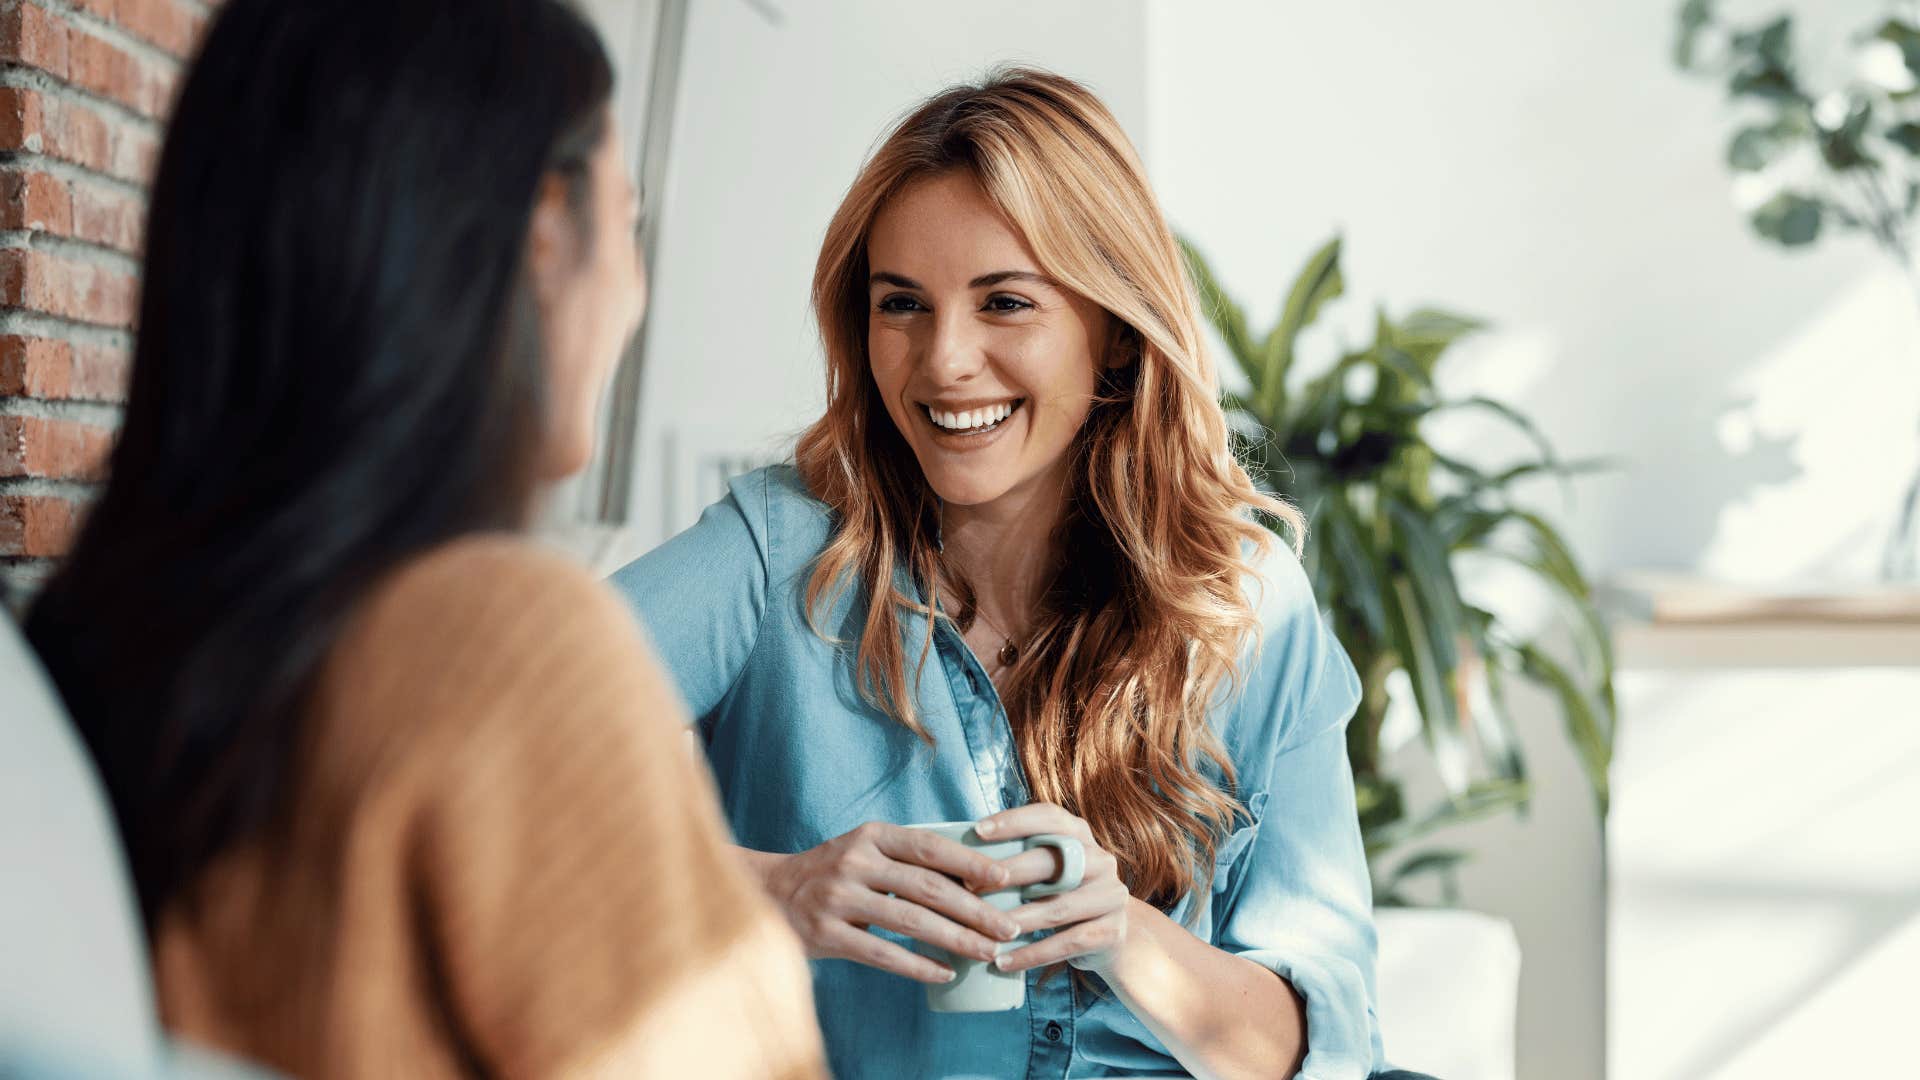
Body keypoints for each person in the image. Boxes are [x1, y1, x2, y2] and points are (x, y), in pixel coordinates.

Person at [25, 1, 825, 1076]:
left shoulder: (113, 634)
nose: (632, 294)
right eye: (627, 219)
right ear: (544, 234)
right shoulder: (503, 640)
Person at [614, 68, 1435, 1080]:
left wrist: (1122, 935)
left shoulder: (1247, 605)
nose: (945, 359)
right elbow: (489, 751)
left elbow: (1317, 1051)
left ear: (1116, 337)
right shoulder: (781, 552)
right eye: (901, 305)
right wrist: (771, 892)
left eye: (1004, 302)